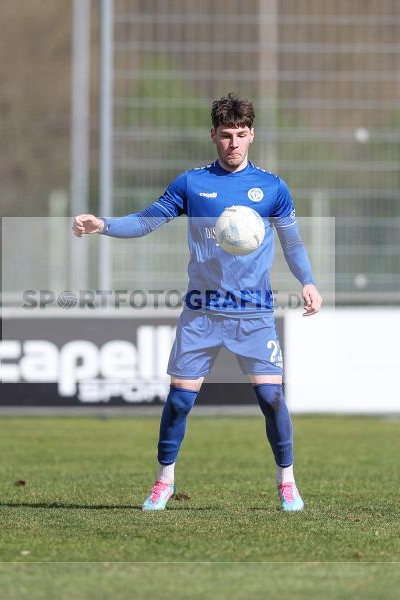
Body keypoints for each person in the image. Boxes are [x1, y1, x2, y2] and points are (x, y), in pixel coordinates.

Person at [73, 93, 321, 511]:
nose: (233, 143)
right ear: (213, 136)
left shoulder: (272, 188)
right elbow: (147, 220)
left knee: (272, 399)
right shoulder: (192, 184)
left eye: (240, 134)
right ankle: (163, 481)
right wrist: (103, 225)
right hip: (202, 312)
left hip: (254, 314)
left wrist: (308, 282)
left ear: (252, 135)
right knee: (180, 401)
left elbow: (292, 243)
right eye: (226, 135)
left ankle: (287, 482)